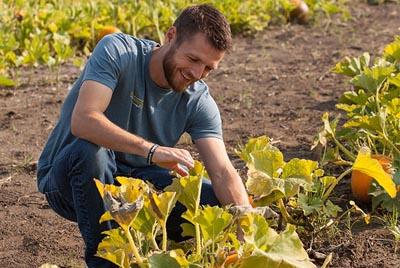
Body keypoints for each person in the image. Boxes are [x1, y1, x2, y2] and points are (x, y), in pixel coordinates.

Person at [36, 4, 250, 267]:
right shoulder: (118, 51)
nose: (197, 74)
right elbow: (83, 120)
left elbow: (223, 172)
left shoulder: (198, 100)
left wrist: (247, 234)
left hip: (133, 186)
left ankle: (154, 247)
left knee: (216, 200)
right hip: (70, 179)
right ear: (170, 36)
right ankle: (105, 260)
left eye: (208, 68)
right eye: (193, 59)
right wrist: (152, 151)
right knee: (91, 152)